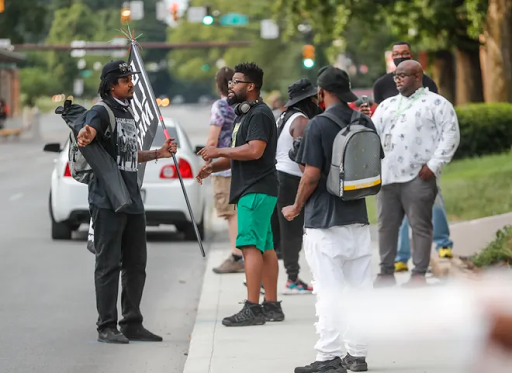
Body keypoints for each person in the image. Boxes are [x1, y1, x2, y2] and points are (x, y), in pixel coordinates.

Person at [283, 66, 378, 373]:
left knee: (328, 292)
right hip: (358, 219)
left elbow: (310, 175)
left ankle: (327, 357)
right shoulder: (363, 120)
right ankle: (357, 355)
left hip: (324, 222)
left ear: (322, 93)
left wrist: (295, 207)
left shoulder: (318, 125)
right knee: (360, 290)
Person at [76, 60, 178, 344]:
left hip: (132, 197)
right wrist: (87, 134)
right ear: (111, 84)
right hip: (107, 200)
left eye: (131, 78)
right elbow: (90, 129)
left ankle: (132, 322)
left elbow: (129, 155)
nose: (131, 83)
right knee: (108, 264)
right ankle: (106, 326)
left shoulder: (127, 112)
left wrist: (158, 153)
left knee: (136, 264)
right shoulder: (102, 110)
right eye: (125, 79)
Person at [196, 62, 284, 326]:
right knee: (265, 248)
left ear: (251, 86)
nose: (231, 86)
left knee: (248, 247)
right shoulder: (244, 115)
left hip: (255, 190)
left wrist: (219, 151)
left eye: (236, 82)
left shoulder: (258, 114)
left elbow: (255, 150)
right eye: (231, 81)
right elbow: (239, 156)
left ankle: (253, 308)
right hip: (257, 189)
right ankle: (271, 306)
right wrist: (212, 167)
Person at [362, 41, 455, 273]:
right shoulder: (387, 104)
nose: (397, 79)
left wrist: (433, 166)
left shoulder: (437, 103)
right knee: (387, 226)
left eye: (403, 75)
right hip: (388, 176)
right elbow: (372, 135)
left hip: (419, 175)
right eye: (396, 76)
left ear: (417, 76)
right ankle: (386, 271)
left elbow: (450, 135)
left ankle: (420, 273)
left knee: (420, 225)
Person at [275, 78, 321, 294]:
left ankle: (283, 276)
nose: (316, 101)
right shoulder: (301, 120)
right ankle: (292, 278)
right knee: (292, 231)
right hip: (291, 179)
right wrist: (310, 180)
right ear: (306, 100)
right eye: (313, 98)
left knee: (282, 231)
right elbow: (301, 154)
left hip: (279, 176)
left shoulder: (284, 116)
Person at [208, 66, 245, 274]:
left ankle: (237, 256)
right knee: (242, 210)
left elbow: (213, 138)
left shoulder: (221, 106)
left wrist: (207, 159)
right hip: (244, 164)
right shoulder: (244, 105)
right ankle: (245, 252)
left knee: (231, 213)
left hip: (224, 167)